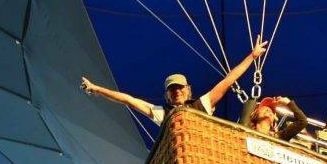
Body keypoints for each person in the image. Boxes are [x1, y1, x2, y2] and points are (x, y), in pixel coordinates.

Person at [81, 36, 268, 126]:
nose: (177, 91)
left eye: (179, 88)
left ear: (187, 89)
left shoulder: (201, 103)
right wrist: (96, 89)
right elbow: (127, 99)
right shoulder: (163, 113)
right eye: (173, 90)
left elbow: (229, 80)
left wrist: (252, 56)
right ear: (168, 95)